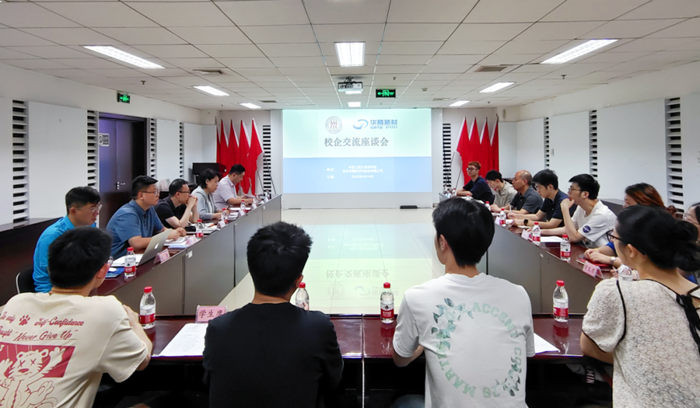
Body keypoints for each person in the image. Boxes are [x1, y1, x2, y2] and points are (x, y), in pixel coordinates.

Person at [392, 198, 534, 408]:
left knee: (404, 403)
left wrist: (422, 346)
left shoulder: (418, 298)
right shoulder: (518, 295)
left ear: (442, 242)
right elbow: (527, 354)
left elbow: (401, 358)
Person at [1, 227, 152, 407]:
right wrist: (135, 323)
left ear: (49, 269)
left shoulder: (16, 303)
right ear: (103, 270)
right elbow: (142, 361)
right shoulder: (105, 310)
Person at [203, 222, 343, 408]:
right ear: (298, 281)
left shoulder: (218, 328)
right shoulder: (318, 326)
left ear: (252, 271)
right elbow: (333, 381)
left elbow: (209, 382)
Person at [580, 205, 700, 407]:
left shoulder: (617, 291)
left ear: (630, 250)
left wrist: (635, 360)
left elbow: (589, 345)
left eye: (614, 238)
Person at [33, 186, 101, 293]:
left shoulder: (90, 227)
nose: (97, 213)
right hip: (53, 291)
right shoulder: (53, 236)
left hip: (81, 284)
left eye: (98, 208)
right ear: (73, 211)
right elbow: (57, 276)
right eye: (92, 209)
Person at [584, 183, 667, 268]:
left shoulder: (656, 229)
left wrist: (610, 260)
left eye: (628, 203)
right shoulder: (632, 224)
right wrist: (598, 251)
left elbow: (643, 265)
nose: (624, 206)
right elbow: (615, 245)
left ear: (643, 205)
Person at [106, 176, 184, 258]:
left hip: (139, 256)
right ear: (141, 195)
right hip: (120, 261)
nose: (158, 195)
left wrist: (176, 232)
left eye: (158, 191)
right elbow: (136, 243)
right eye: (154, 192)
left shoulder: (150, 209)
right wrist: (165, 236)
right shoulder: (127, 214)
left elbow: (162, 230)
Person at [541, 174, 616, 248]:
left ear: (585, 194)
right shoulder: (581, 208)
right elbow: (567, 229)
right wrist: (542, 231)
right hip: (592, 251)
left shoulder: (601, 214)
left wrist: (565, 209)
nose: (568, 192)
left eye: (572, 189)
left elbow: (574, 237)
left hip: (605, 254)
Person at [510, 169, 576, 229]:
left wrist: (525, 222)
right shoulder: (548, 198)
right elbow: (537, 216)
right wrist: (517, 216)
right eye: (536, 187)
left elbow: (551, 225)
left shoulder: (562, 200)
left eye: (539, 187)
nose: (538, 190)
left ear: (550, 186)